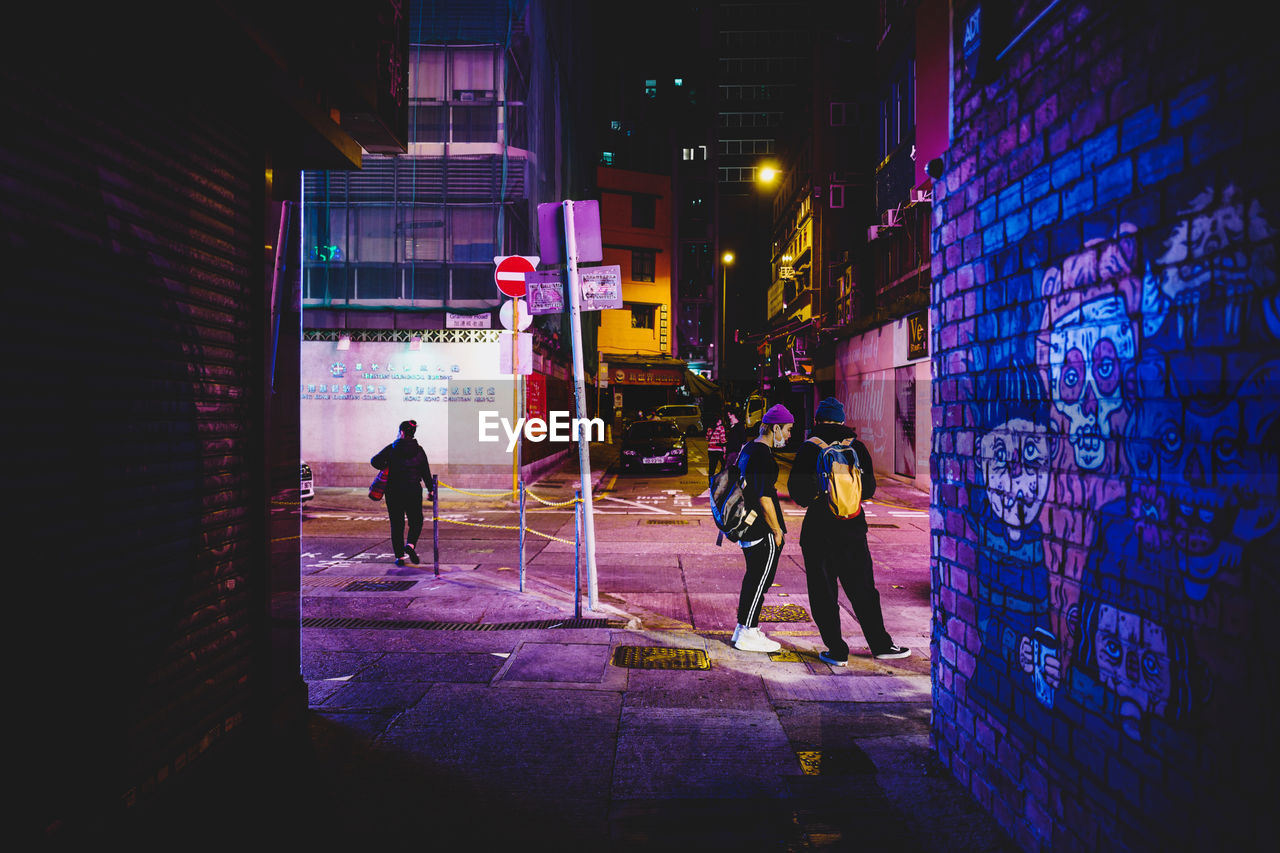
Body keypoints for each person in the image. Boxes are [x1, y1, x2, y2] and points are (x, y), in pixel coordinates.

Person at [787, 396, 910, 664]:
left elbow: (799, 494)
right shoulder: (857, 447)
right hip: (852, 529)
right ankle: (880, 645)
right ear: (843, 420)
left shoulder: (809, 448)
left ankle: (837, 651)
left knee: (823, 593)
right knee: (864, 589)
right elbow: (868, 490)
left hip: (818, 531)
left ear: (818, 420)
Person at [730, 403, 794, 653]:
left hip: (746, 527)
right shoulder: (763, 455)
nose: (788, 435)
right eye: (787, 430)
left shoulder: (748, 449)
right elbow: (764, 497)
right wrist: (777, 531)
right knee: (760, 582)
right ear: (775, 428)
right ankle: (748, 631)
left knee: (753, 579)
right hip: (761, 530)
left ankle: (743, 628)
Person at [371, 419, 435, 567]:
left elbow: (374, 461)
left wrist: (387, 465)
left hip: (393, 491)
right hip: (413, 489)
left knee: (397, 524)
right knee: (416, 521)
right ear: (413, 433)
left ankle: (400, 557)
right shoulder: (419, 450)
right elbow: (425, 471)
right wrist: (431, 489)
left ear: (401, 432)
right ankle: (411, 545)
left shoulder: (392, 448)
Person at [705, 405, 732, 475]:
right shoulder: (721, 428)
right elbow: (722, 440)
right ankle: (719, 478)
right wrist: (725, 447)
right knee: (724, 465)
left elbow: (707, 438)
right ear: (719, 420)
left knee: (712, 468)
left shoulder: (709, 428)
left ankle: (711, 484)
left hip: (710, 450)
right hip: (719, 450)